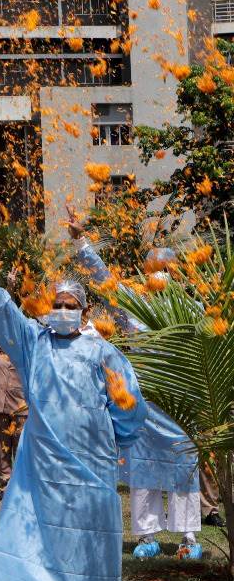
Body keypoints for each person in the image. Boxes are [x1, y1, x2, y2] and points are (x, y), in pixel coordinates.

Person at [0, 226, 146, 581]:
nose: (62, 309)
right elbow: (2, 311)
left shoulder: (103, 352)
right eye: (58, 303)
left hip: (94, 462)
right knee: (55, 538)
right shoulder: (33, 343)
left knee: (99, 537)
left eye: (70, 304)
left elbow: (129, 404)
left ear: (85, 310)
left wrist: (119, 442)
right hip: (47, 463)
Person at [67, 212, 203, 559]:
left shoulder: (194, 310)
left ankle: (189, 538)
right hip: (145, 409)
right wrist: (82, 242)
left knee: (184, 471)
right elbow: (104, 279)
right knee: (142, 470)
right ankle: (146, 536)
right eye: (154, 269)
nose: (160, 275)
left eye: (166, 270)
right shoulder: (133, 308)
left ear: (177, 274)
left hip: (182, 410)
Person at [0, 345, 26, 499]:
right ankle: (5, 485)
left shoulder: (24, 345)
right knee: (2, 447)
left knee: (20, 448)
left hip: (20, 405)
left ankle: (22, 486)